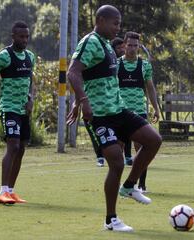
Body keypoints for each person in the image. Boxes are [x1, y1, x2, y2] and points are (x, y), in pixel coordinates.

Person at [66, 5, 162, 232]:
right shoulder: (90, 41)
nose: (118, 27)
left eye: (119, 23)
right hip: (100, 115)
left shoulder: (107, 46)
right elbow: (73, 72)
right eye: (114, 23)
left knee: (153, 140)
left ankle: (129, 186)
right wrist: (83, 101)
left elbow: (89, 76)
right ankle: (111, 219)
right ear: (100, 20)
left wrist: (78, 100)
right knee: (117, 162)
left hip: (119, 110)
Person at [0, 21, 35, 204]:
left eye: (27, 37)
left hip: (23, 109)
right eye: (21, 36)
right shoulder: (3, 56)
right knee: (13, 146)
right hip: (8, 107)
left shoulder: (30, 56)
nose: (25, 40)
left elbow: (30, 80)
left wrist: (30, 98)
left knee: (21, 149)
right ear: (13, 36)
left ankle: (11, 191)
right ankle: (2, 191)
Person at [118, 31, 160, 192]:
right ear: (124, 46)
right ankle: (118, 182)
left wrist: (155, 108)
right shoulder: (116, 64)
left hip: (139, 112)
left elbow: (150, 88)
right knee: (117, 149)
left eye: (136, 46)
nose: (132, 48)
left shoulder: (145, 65)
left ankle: (140, 184)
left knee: (142, 148)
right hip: (121, 112)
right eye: (130, 45)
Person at [93, 37, 125, 167]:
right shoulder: (93, 47)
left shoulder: (117, 62)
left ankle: (131, 182)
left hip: (118, 106)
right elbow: (74, 73)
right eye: (119, 48)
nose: (122, 50)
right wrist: (80, 101)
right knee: (113, 153)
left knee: (152, 139)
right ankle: (100, 157)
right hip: (100, 109)